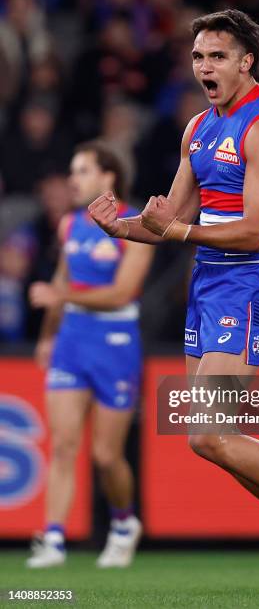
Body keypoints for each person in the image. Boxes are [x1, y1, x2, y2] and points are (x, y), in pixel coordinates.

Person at [89, 10, 259, 594]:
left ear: (247, 61)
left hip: (253, 281)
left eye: (217, 56)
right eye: (197, 57)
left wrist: (174, 233)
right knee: (202, 438)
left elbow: (252, 229)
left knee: (215, 432)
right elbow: (172, 218)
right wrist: (123, 228)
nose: (205, 67)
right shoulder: (199, 127)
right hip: (211, 281)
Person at [27, 140, 154, 568]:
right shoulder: (69, 226)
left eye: (81, 171)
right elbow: (62, 283)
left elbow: (122, 293)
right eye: (72, 171)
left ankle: (123, 522)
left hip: (115, 344)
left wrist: (60, 294)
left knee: (105, 456)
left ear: (108, 178)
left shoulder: (136, 225)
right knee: (63, 446)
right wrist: (48, 336)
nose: (72, 179)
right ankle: (54, 540)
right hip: (71, 342)